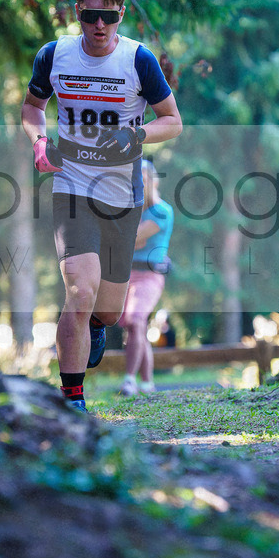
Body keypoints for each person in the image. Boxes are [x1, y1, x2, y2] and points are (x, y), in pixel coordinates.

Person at [20, 0, 182, 412]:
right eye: (91, 15)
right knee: (79, 289)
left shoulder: (137, 60)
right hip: (71, 186)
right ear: (77, 10)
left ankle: (95, 323)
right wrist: (38, 142)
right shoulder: (54, 55)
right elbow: (32, 107)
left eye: (109, 18)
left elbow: (173, 121)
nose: (99, 27)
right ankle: (72, 400)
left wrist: (137, 135)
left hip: (123, 194)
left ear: (121, 14)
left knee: (108, 311)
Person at [117, 159, 174, 396]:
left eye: (142, 177)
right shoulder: (129, 209)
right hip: (125, 275)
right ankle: (147, 384)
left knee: (136, 320)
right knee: (134, 328)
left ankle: (129, 379)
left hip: (150, 276)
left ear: (152, 180)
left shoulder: (161, 211)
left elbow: (131, 239)